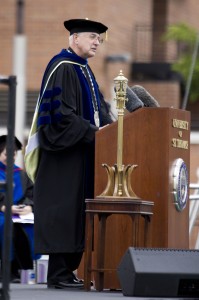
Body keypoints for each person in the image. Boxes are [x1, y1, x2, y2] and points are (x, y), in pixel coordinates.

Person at [28, 18, 113, 289]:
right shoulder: (62, 67)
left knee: (78, 211)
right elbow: (61, 116)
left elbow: (101, 112)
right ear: (74, 38)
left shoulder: (84, 70)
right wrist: (95, 133)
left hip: (83, 154)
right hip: (64, 157)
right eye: (92, 36)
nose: (97, 41)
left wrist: (112, 130)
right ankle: (58, 274)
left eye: (99, 38)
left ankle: (69, 272)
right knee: (65, 211)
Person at [0, 135, 40, 283]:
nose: (10, 158)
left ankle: (20, 269)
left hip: (18, 213)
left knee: (27, 226)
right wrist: (3, 207)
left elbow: (31, 193)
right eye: (6, 154)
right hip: (2, 212)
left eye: (14, 154)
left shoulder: (21, 173)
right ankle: (6, 270)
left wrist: (29, 206)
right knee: (5, 225)